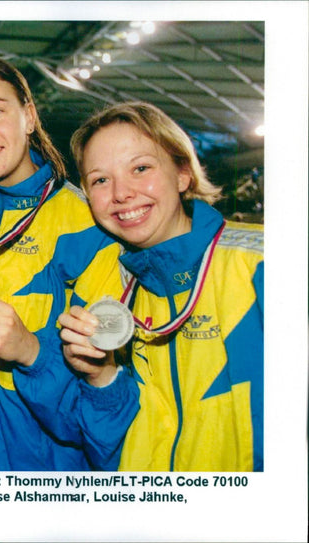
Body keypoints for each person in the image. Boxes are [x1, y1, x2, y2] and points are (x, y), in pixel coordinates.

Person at [0, 51, 139, 470]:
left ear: (29, 116)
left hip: (34, 471)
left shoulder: (86, 225)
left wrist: (30, 351)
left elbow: (100, 414)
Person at [63, 101, 263, 471]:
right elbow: (110, 451)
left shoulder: (260, 267)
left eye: (140, 168)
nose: (121, 193)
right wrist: (102, 377)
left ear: (183, 173)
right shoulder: (107, 289)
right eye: (100, 180)